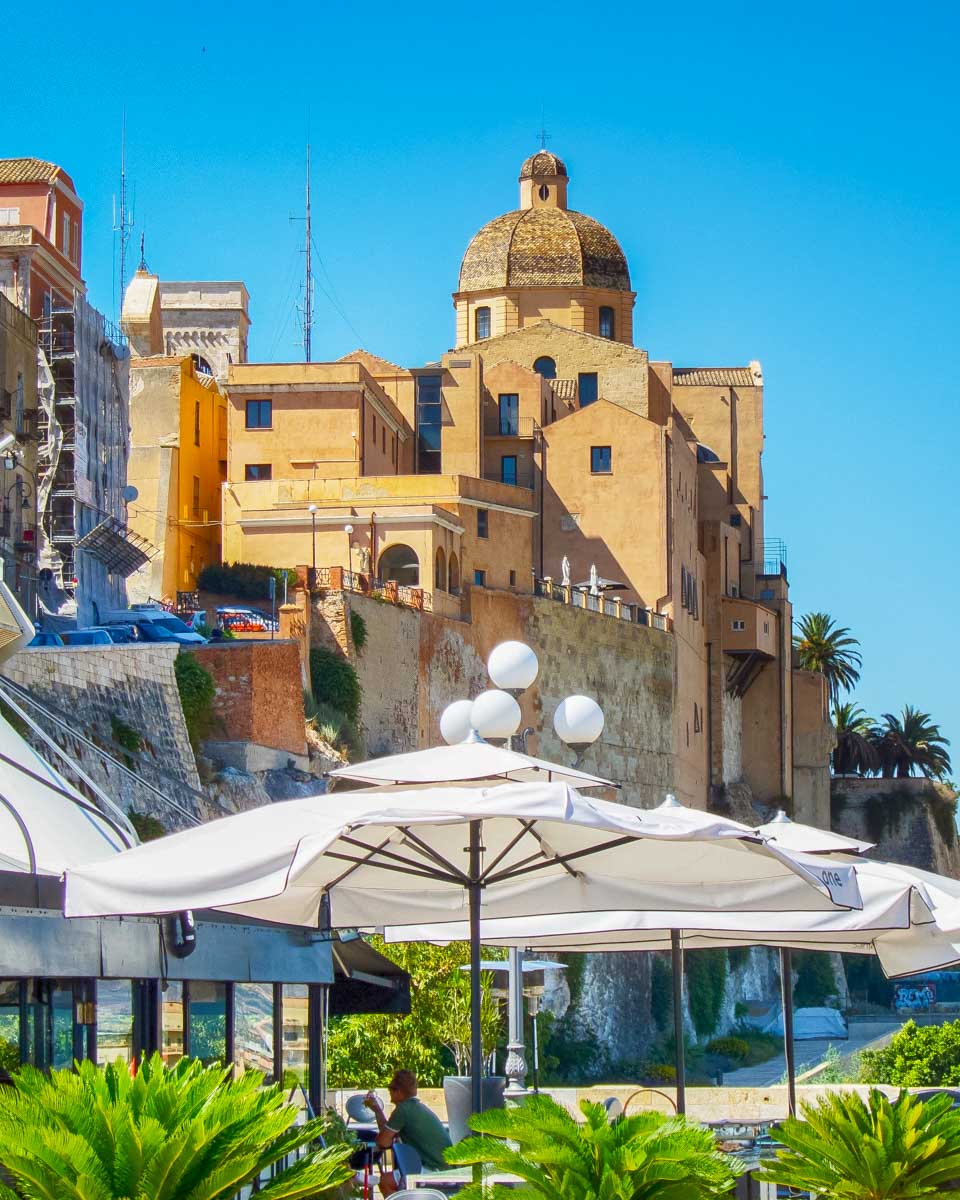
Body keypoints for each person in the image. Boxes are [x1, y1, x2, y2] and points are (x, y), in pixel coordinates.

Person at [365, 1069, 452, 1195]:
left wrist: (378, 1113)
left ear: (399, 1092)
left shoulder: (403, 1110)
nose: (390, 1092)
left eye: (392, 1088)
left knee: (385, 1181)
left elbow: (383, 1142)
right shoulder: (415, 1107)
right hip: (444, 1167)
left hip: (435, 1170)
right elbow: (387, 1135)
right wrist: (378, 1111)